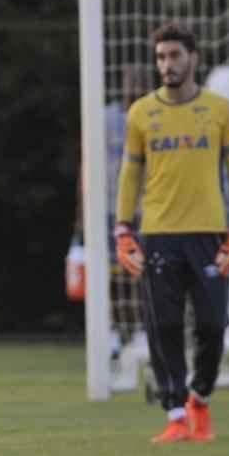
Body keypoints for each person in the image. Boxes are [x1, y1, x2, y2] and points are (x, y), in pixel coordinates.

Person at [114, 22, 229, 443]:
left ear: (193, 58)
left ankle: (200, 399)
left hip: (210, 234)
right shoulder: (141, 112)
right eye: (160, 57)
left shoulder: (220, 109)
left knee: (212, 325)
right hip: (159, 234)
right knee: (164, 325)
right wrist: (123, 230)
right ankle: (174, 414)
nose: (167, 64)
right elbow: (130, 173)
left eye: (174, 55)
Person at [72, 65, 149, 359]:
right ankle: (114, 333)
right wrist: (82, 211)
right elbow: (87, 164)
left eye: (141, 82)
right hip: (108, 208)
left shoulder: (154, 118)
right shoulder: (106, 118)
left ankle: (142, 330)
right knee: (111, 274)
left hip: (143, 209)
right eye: (132, 81)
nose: (136, 87)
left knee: (142, 273)